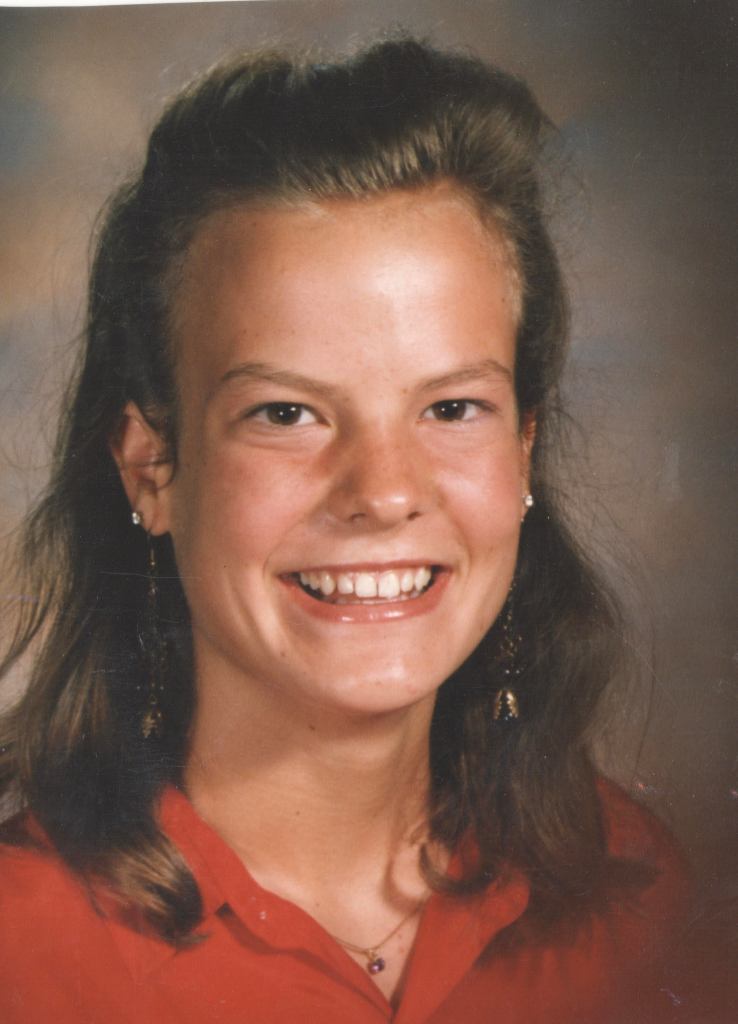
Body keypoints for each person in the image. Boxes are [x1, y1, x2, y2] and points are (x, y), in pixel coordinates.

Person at [0, 38, 693, 1023]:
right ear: (152, 468)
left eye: (451, 408)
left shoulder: (637, 892)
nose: (384, 491)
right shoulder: (19, 952)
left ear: (525, 452)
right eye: (286, 413)